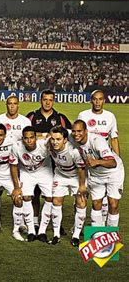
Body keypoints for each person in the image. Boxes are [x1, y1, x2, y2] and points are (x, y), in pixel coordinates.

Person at [26, 90, 71, 234]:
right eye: (45, 99)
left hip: (55, 163)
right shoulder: (32, 116)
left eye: (50, 100)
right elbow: (25, 135)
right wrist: (46, 135)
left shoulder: (60, 118)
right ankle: (35, 223)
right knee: (34, 194)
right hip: (35, 162)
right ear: (40, 100)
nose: (47, 102)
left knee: (53, 194)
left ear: (53, 101)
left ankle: (56, 224)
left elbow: (68, 137)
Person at [71, 120, 124, 229]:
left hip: (113, 173)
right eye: (74, 131)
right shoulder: (73, 138)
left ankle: (110, 234)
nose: (76, 134)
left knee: (113, 205)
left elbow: (112, 163)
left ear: (86, 131)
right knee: (96, 204)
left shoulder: (97, 141)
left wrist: (97, 162)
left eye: (79, 131)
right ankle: (97, 234)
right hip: (96, 175)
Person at [77, 90, 120, 222]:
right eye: (95, 99)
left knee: (105, 197)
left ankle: (104, 232)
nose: (97, 102)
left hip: (103, 160)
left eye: (100, 99)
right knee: (83, 194)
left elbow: (113, 139)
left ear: (104, 101)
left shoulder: (110, 116)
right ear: (91, 100)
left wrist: (116, 159)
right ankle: (77, 225)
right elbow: (78, 136)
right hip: (87, 160)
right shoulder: (83, 115)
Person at [0, 96, 31, 232]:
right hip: (0, 162)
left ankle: (21, 223)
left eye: (15, 104)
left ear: (18, 105)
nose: (12, 106)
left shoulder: (25, 121)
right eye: (10, 104)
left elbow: (28, 139)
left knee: (20, 191)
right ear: (6, 105)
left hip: (19, 163)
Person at [9, 126, 53, 242]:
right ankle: (31, 231)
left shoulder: (44, 144)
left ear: (36, 138)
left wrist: (45, 135)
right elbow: (13, 166)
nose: (29, 140)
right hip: (27, 173)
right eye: (26, 138)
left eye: (32, 137)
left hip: (45, 172)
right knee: (26, 198)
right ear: (22, 139)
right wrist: (17, 187)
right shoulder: (16, 147)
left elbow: (59, 136)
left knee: (50, 198)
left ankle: (42, 231)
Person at [47, 126, 87, 246]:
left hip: (76, 176)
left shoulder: (73, 151)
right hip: (60, 175)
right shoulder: (49, 144)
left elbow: (81, 169)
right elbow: (39, 138)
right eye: (53, 139)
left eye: (58, 139)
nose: (55, 142)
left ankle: (75, 236)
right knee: (56, 201)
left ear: (65, 140)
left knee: (81, 202)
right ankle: (56, 235)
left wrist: (81, 186)